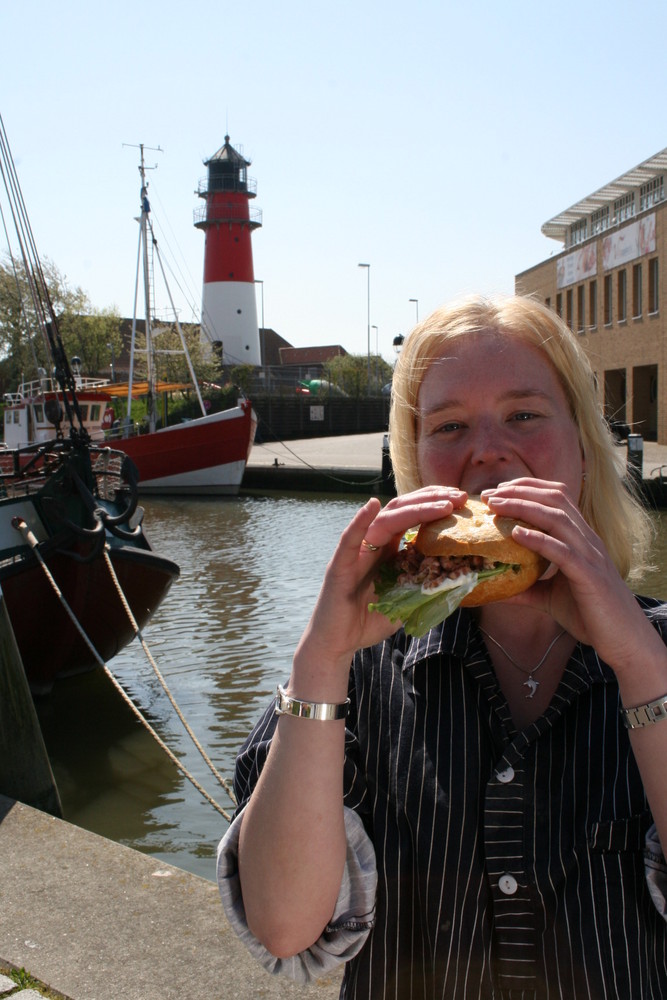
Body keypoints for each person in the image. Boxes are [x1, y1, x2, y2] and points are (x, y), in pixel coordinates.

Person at [217, 295, 667, 999]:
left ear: (582, 443)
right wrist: (319, 662)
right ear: (417, 462)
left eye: (523, 415)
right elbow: (285, 930)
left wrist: (640, 667)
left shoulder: (658, 653)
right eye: (450, 425)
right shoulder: (358, 671)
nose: (486, 450)